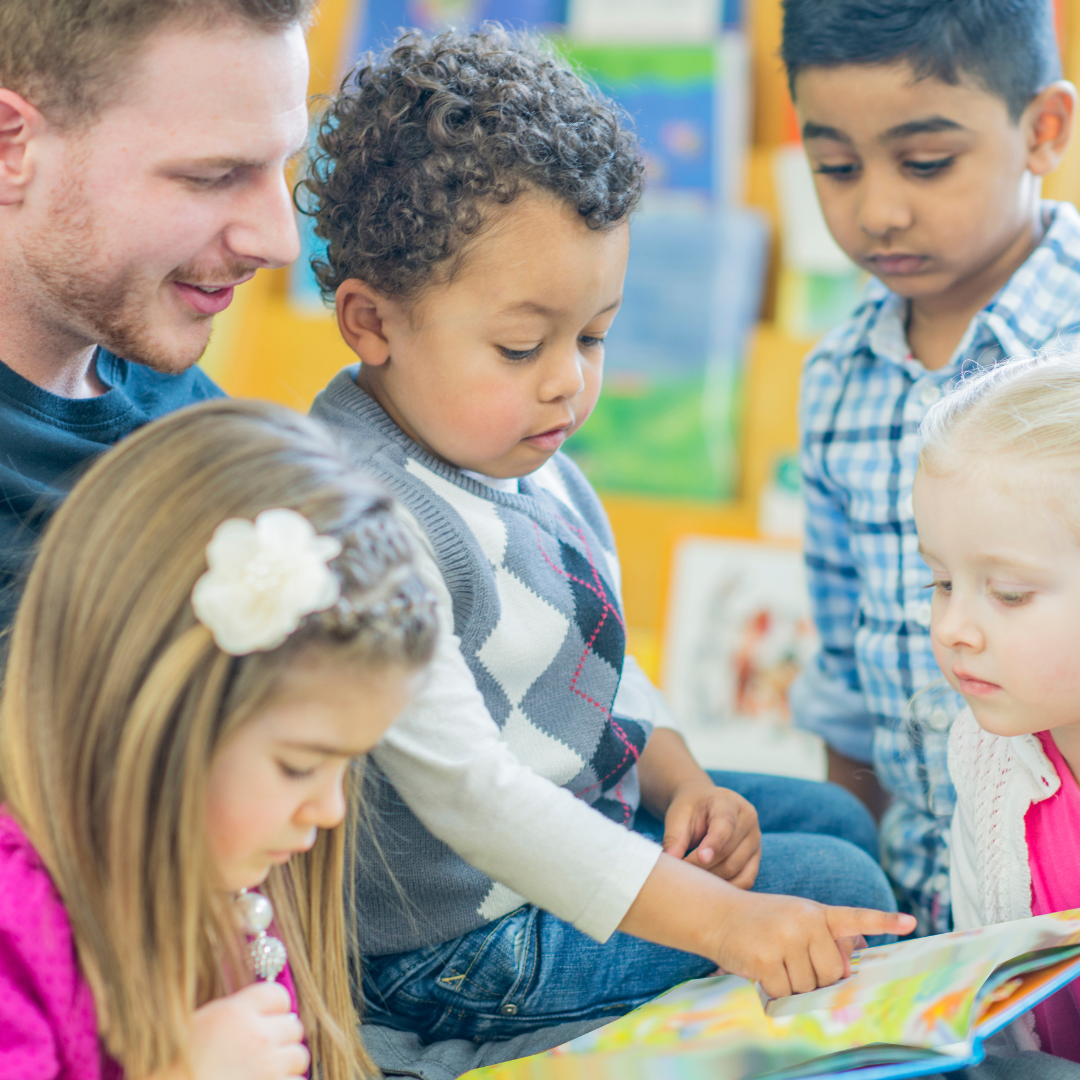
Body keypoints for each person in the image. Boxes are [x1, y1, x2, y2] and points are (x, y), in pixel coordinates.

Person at [300, 27, 913, 1045]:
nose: (568, 383)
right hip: (462, 939)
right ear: (370, 321)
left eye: (593, 335)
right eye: (520, 345)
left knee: (837, 823)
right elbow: (480, 803)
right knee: (838, 879)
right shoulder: (364, 520)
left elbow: (598, 657)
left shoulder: (519, 449)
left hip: (577, 826)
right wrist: (726, 922)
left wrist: (685, 782)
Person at [0, 398, 438, 1079]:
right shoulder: (15, 924)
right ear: (157, 712)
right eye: (299, 766)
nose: (331, 811)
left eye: (347, 768)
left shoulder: (235, 890)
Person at [780, 0, 1080, 932]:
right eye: (834, 167)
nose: (878, 208)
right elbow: (843, 674)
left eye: (925, 163)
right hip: (926, 905)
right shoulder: (833, 383)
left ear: (1043, 130)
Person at [0, 0, 312, 627]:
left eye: (286, 164)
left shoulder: (204, 430)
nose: (281, 244)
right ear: (13, 147)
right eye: (214, 175)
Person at [910, 353, 1080, 1074]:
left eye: (1007, 594)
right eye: (943, 582)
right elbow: (995, 993)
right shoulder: (985, 752)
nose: (953, 627)